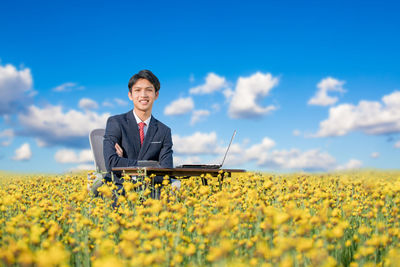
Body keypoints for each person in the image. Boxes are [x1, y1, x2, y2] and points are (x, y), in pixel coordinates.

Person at [102, 70, 174, 198]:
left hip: (152, 190)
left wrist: (124, 161)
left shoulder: (164, 131)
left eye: (149, 90)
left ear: (156, 95)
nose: (143, 95)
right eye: (138, 90)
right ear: (130, 95)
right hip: (120, 187)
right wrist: (151, 165)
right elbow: (111, 163)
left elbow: (166, 170)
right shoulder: (116, 122)